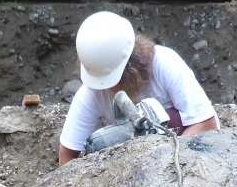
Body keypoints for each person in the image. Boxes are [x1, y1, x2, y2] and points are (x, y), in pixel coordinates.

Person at [59, 12, 220, 165]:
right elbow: (67, 153)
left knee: (171, 118)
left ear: (132, 64)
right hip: (133, 168)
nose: (108, 87)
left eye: (114, 79)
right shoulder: (91, 93)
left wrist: (167, 162)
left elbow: (206, 123)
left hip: (189, 155)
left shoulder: (165, 64)